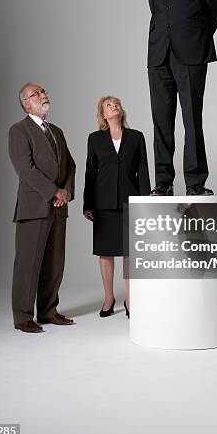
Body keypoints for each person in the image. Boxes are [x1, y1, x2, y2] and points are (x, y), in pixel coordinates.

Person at [144, 0, 217, 196]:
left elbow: (214, 8)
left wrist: (196, 38)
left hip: (191, 53)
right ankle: (163, 183)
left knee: (192, 118)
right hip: (158, 55)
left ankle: (195, 183)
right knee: (161, 121)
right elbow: (157, 11)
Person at [8, 83, 76, 333]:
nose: (43, 94)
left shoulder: (56, 131)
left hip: (59, 207)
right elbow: (25, 169)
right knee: (28, 263)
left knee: (54, 262)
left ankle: (48, 311)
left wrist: (66, 191)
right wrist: (53, 192)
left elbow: (70, 164)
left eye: (43, 91)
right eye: (36, 93)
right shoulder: (19, 130)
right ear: (26, 103)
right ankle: (22, 316)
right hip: (34, 207)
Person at [83, 96, 150, 318]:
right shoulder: (95, 139)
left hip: (130, 200)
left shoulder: (136, 137)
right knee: (106, 252)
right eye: (109, 105)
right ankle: (108, 297)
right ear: (103, 114)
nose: (114, 106)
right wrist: (87, 204)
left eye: (117, 104)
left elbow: (143, 172)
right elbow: (90, 173)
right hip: (103, 202)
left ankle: (130, 298)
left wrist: (145, 202)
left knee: (130, 252)